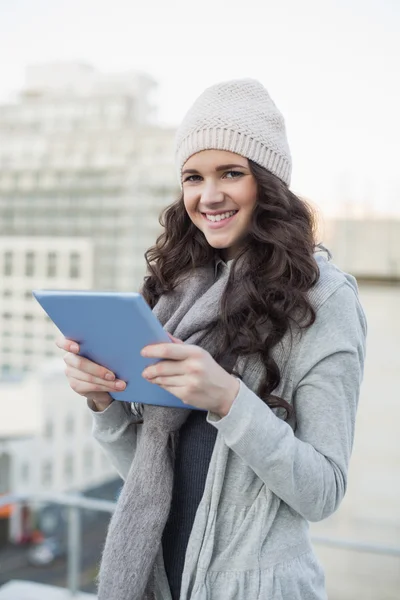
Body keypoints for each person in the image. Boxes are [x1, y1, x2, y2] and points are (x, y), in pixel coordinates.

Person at [57, 79, 367, 600]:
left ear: (267, 183)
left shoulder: (323, 299)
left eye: (231, 173)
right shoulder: (175, 292)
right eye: (193, 177)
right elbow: (149, 475)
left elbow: (323, 492)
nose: (209, 195)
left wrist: (227, 399)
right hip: (159, 580)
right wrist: (102, 401)